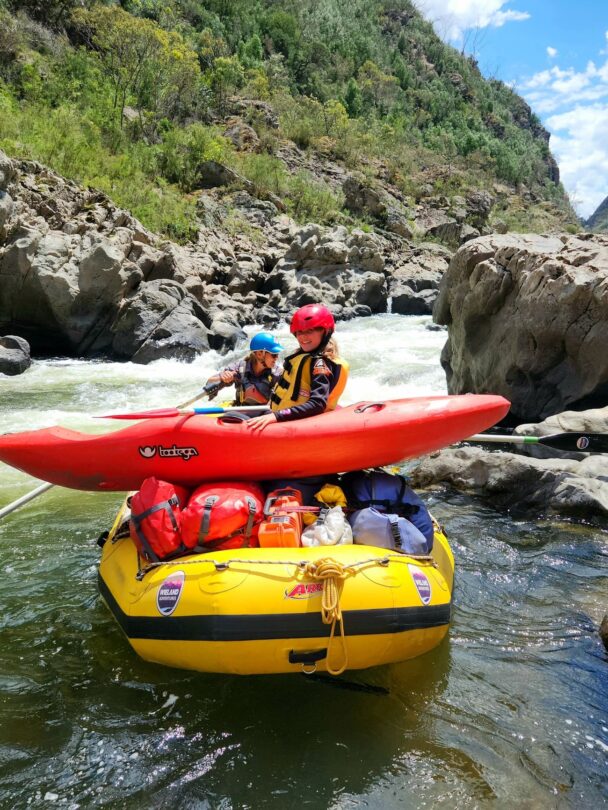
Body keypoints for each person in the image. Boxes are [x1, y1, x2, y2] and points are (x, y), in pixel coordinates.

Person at [248, 304, 349, 432]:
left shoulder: (321, 364)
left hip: (301, 426)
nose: (303, 337)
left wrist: (276, 416)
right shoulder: (305, 357)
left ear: (325, 331)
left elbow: (317, 404)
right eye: (299, 332)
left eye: (309, 331)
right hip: (288, 419)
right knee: (233, 417)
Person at [205, 332, 284, 406]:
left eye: (277, 354)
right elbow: (210, 382)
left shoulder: (277, 373)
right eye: (274, 355)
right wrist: (222, 377)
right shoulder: (240, 368)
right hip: (242, 410)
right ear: (260, 354)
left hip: (266, 412)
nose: (276, 358)